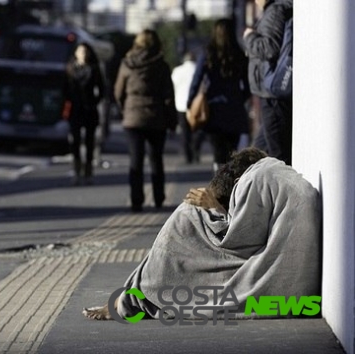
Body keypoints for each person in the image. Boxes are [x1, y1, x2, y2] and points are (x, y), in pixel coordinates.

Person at [82, 147, 321, 321]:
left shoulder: (252, 180)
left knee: (186, 216)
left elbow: (242, 238)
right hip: (302, 290)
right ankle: (131, 297)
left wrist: (216, 209)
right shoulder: (271, 171)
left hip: (292, 291)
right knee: (190, 222)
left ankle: (130, 299)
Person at [114, 29, 176, 212]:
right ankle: (158, 197)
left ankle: (136, 199)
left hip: (133, 118)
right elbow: (169, 96)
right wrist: (172, 120)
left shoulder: (127, 64)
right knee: (156, 159)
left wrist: (126, 108)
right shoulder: (161, 65)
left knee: (136, 160)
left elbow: (118, 92)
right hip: (156, 117)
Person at [187, 19, 252, 173]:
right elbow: (248, 85)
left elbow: (196, 80)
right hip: (235, 109)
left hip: (213, 109)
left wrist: (191, 101)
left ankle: (219, 184)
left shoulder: (207, 54)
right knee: (232, 153)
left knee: (218, 152)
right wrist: (240, 98)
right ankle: (230, 188)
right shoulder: (239, 55)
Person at [243, 0, 293, 165]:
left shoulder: (275, 11)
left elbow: (269, 48)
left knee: (277, 157)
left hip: (272, 94)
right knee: (256, 156)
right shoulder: (276, 9)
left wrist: (249, 37)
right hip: (270, 93)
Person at [63, 43, 105, 185]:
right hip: (75, 109)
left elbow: (102, 89)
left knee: (89, 142)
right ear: (76, 53)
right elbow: (64, 90)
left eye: (86, 51)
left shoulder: (94, 69)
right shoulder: (69, 69)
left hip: (89, 110)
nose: (83, 54)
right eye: (81, 51)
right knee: (74, 141)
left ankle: (88, 173)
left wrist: (94, 101)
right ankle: (76, 171)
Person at [171, 51, 204, 164]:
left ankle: (187, 154)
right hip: (196, 105)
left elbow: (173, 86)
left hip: (180, 104)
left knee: (185, 131)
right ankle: (195, 149)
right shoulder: (197, 68)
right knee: (197, 129)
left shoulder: (177, 71)